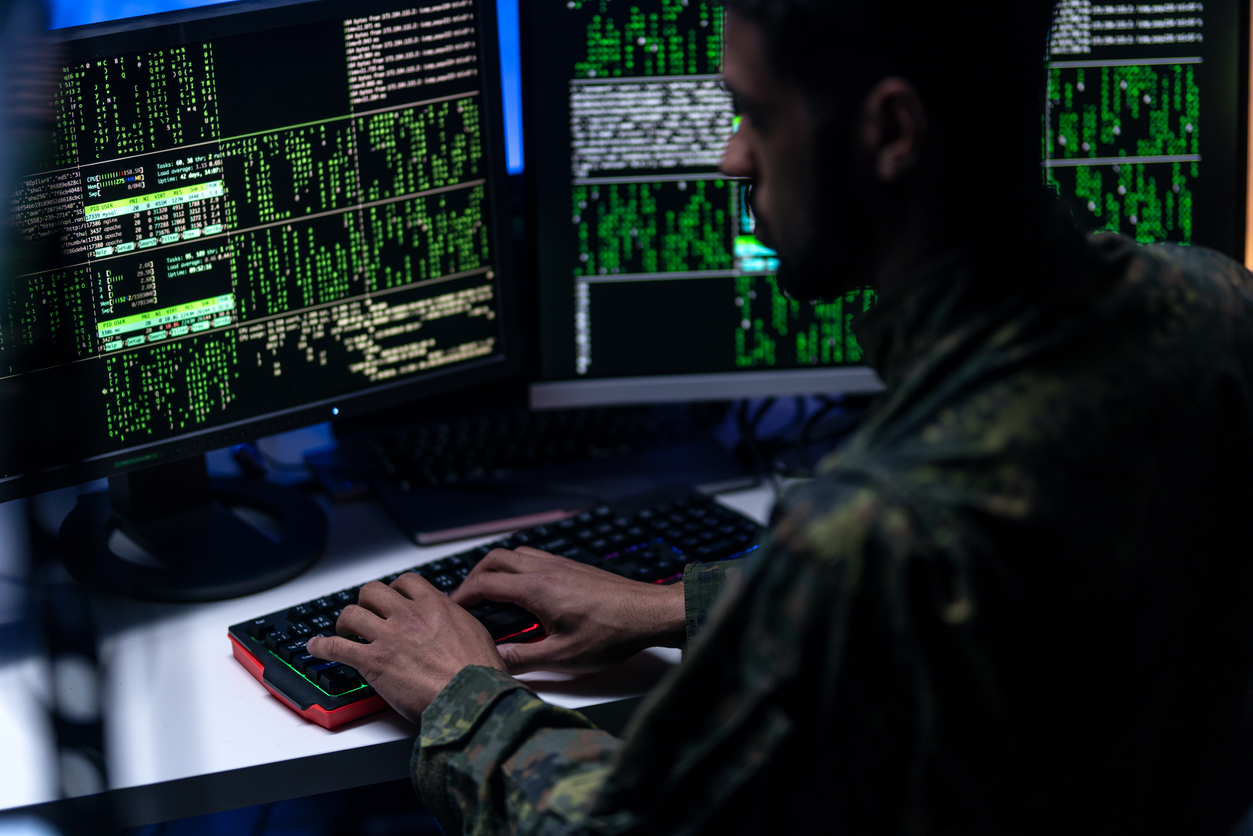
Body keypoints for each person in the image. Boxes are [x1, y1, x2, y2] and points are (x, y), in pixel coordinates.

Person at [308, 0, 1253, 832]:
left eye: (756, 114)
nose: (732, 157)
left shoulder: (872, 534)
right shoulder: (1215, 311)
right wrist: (670, 604)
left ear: (889, 129)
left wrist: (463, 696)